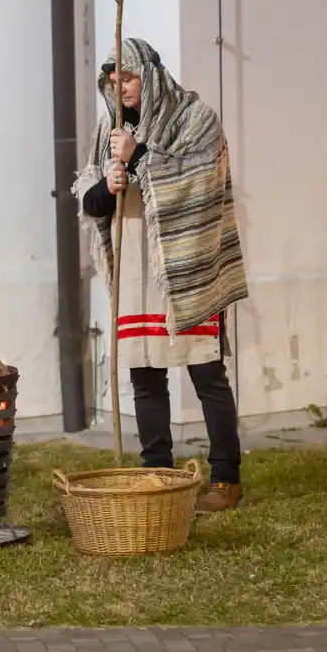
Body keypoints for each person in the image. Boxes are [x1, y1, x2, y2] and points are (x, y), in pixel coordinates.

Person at [75, 37, 249, 513]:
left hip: (186, 265)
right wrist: (108, 186)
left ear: (149, 75)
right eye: (113, 80)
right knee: (145, 373)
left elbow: (201, 179)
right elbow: (91, 203)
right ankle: (158, 474)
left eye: (128, 78)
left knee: (207, 372)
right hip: (136, 268)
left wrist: (140, 156)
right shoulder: (107, 130)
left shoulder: (195, 119)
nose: (121, 88)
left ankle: (226, 479)